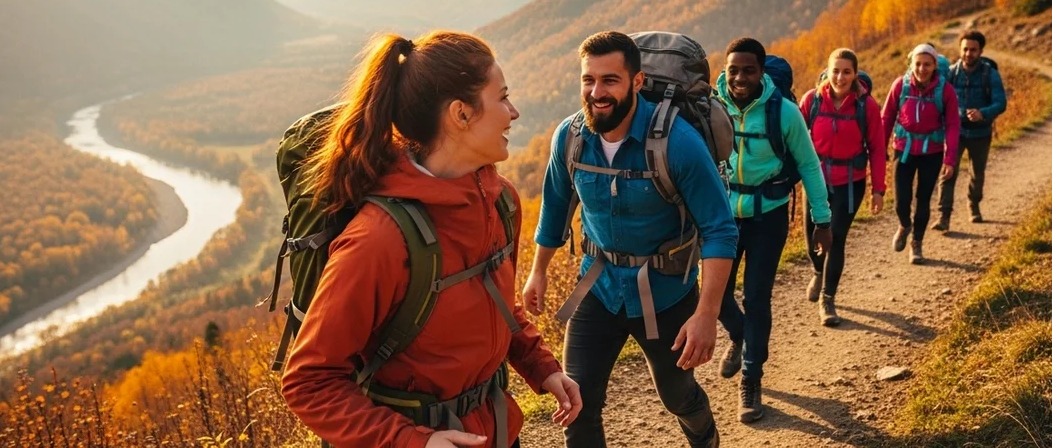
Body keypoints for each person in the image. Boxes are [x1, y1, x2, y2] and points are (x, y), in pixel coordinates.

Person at [282, 31, 581, 448]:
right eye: (502, 98)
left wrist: (541, 366)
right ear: (461, 114)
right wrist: (414, 442)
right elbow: (308, 382)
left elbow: (496, 301)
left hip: (494, 430)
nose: (513, 112)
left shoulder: (500, 202)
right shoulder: (378, 240)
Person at [523, 31, 736, 448]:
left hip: (666, 294)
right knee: (577, 404)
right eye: (588, 80)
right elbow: (554, 206)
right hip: (597, 289)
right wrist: (538, 271)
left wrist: (707, 314)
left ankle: (705, 439)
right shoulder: (570, 138)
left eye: (610, 80)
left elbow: (720, 229)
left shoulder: (678, 143)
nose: (596, 92)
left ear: (637, 82)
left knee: (678, 396)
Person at [714, 38, 830, 423]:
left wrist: (823, 220)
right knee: (713, 295)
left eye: (749, 70)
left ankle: (752, 378)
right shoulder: (712, 107)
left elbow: (810, 166)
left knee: (757, 296)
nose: (740, 78)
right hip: (722, 217)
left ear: (762, 72)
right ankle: (741, 335)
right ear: (725, 69)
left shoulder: (785, 113)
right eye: (734, 70)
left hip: (769, 217)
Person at [799, 48, 887, 325]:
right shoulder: (811, 101)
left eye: (846, 71)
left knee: (835, 238)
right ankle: (817, 271)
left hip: (850, 182)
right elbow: (795, 138)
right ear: (827, 71)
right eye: (836, 70)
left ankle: (828, 300)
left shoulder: (867, 106)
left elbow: (877, 148)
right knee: (812, 235)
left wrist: (878, 189)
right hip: (815, 181)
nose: (840, 76)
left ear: (855, 74)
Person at [881, 43, 960, 265]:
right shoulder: (901, 85)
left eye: (927, 64)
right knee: (900, 201)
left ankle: (916, 244)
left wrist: (950, 158)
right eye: (918, 63)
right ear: (911, 63)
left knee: (923, 200)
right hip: (903, 149)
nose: (922, 68)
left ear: (935, 65)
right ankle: (905, 225)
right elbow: (886, 117)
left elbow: (953, 125)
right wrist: (881, 149)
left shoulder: (945, 91)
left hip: (932, 152)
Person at [937, 30, 1007, 230]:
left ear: (981, 51)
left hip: (981, 133)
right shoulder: (950, 73)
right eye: (965, 49)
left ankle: (973, 205)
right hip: (954, 133)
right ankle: (944, 217)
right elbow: (940, 101)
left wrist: (983, 113)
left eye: (973, 50)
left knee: (977, 173)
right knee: (948, 172)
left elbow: (1001, 103)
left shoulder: (990, 74)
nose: (968, 53)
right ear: (960, 49)